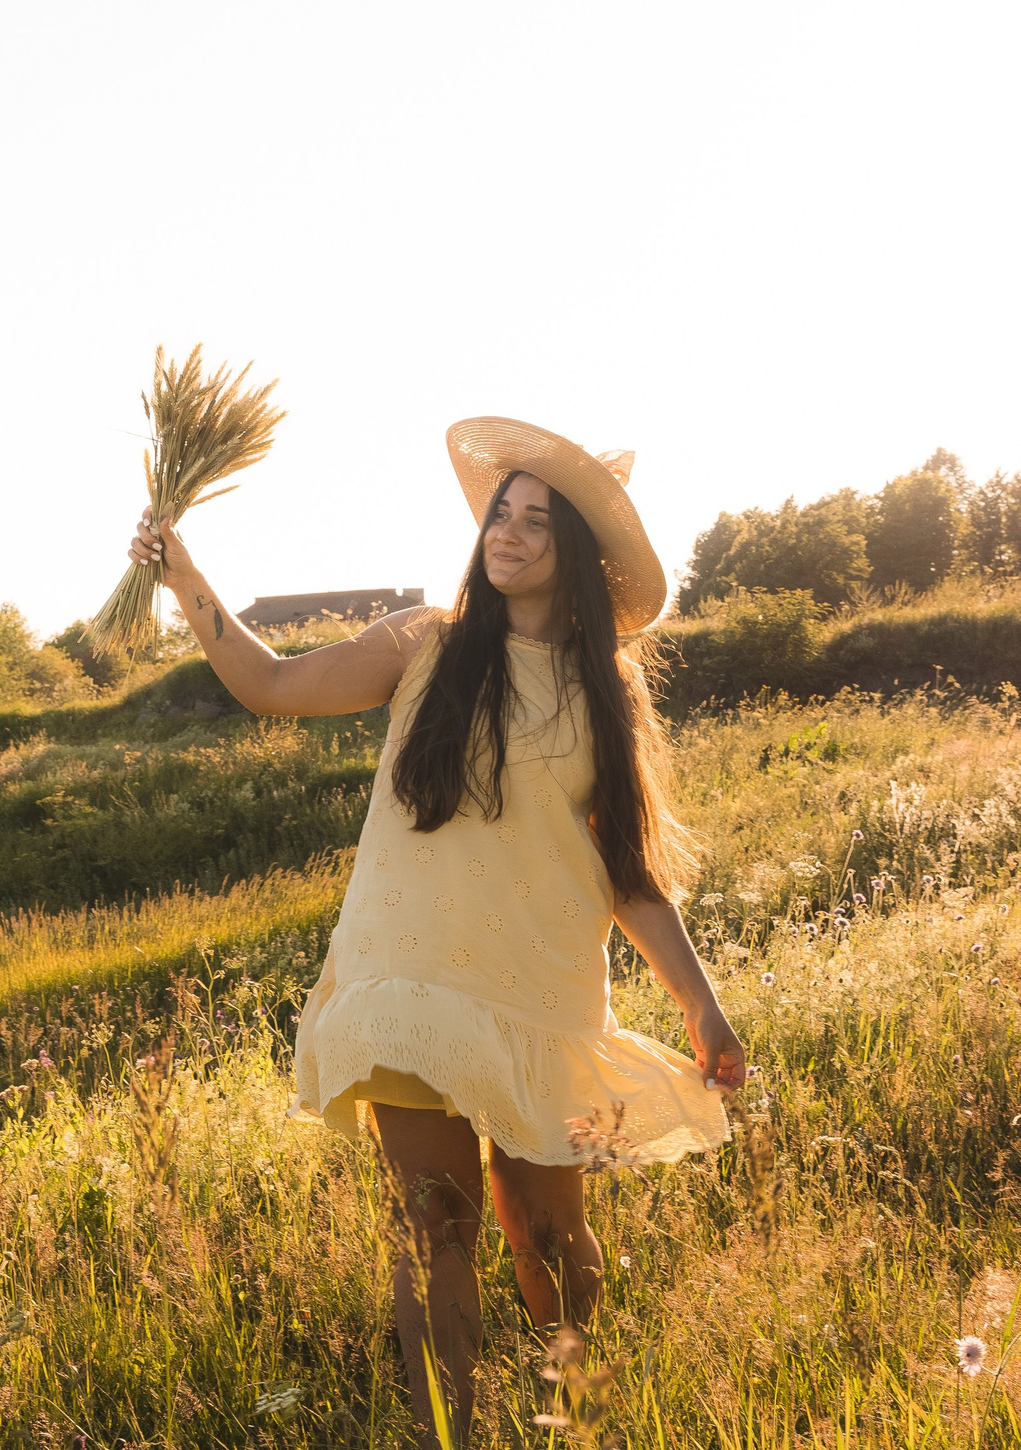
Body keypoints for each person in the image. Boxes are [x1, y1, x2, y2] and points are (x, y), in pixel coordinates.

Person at [126, 416, 745, 1448]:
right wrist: (185, 573)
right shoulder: (427, 641)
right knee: (435, 1227)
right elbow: (270, 685)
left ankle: (579, 1421)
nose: (508, 531)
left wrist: (701, 1000)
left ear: (577, 554)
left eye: (535, 520)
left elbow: (630, 871)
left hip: (540, 992)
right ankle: (446, 1436)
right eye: (501, 510)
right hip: (405, 980)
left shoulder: (606, 692)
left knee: (547, 1232)